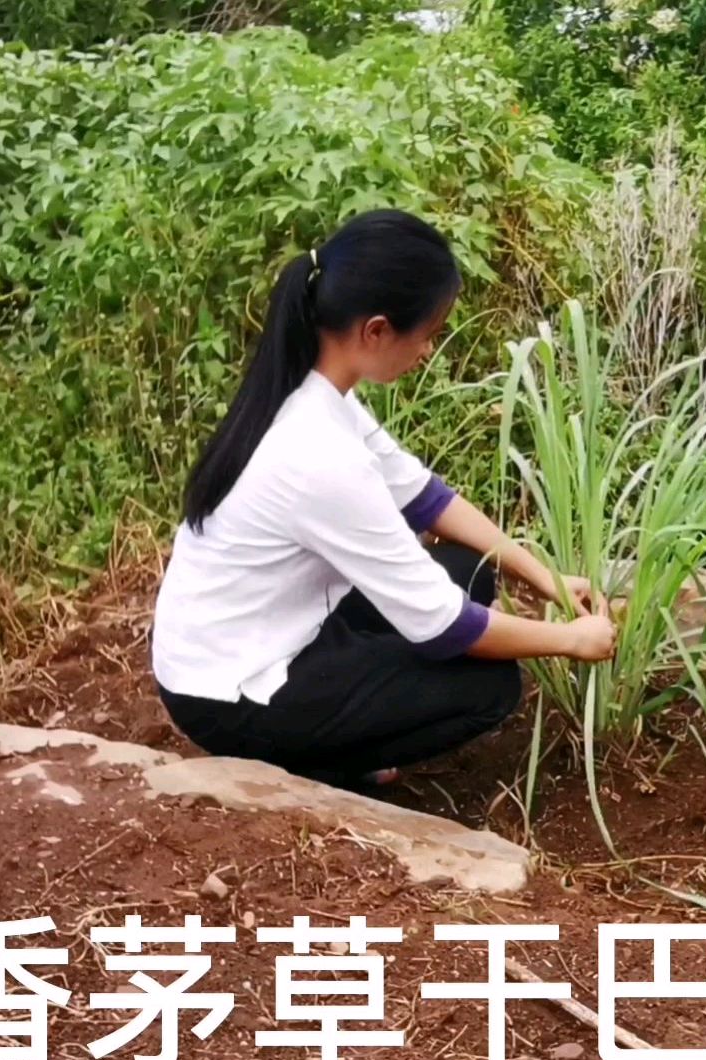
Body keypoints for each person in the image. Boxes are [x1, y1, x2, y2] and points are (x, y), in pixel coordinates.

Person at [150, 209, 616, 790]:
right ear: (375, 330)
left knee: (469, 571)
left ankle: (336, 728)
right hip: (231, 690)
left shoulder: (313, 392)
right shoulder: (315, 454)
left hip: (261, 630)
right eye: (427, 334)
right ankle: (320, 769)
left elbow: (426, 498)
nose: (428, 351)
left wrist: (543, 575)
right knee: (487, 686)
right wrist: (571, 641)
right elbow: (442, 627)